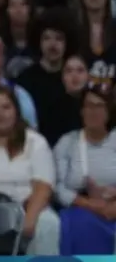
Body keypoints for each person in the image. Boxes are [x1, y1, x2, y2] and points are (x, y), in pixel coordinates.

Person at [0, 87, 59, 254]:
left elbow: (43, 188)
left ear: (16, 112)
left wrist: (29, 220)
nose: (0, 113)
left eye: (6, 107)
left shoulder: (35, 142)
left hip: (29, 207)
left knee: (48, 223)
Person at [53, 82, 116, 255]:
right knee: (78, 225)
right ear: (81, 110)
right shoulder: (67, 143)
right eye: (89, 106)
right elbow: (58, 187)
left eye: (99, 106)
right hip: (80, 211)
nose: (93, 111)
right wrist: (90, 204)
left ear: (109, 110)